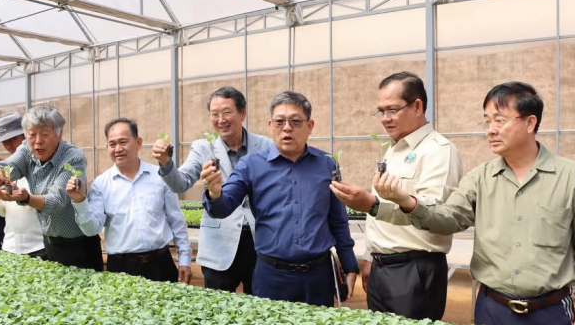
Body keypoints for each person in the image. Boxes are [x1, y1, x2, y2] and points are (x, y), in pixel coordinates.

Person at [374, 81, 575, 325]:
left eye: (500, 120)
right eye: (486, 121)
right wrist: (407, 201)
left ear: (530, 123)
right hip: (491, 310)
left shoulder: (573, 177)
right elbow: (448, 218)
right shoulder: (480, 178)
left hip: (550, 313)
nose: (491, 130)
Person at [201, 91, 358, 307]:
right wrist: (214, 193)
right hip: (271, 276)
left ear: (310, 126)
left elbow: (337, 219)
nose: (287, 128)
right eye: (280, 121)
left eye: (295, 121)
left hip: (318, 276)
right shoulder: (251, 165)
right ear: (270, 125)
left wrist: (349, 264)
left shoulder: (327, 164)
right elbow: (222, 208)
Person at [331, 72, 463, 320]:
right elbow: (382, 216)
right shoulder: (395, 149)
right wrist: (371, 257)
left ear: (417, 106)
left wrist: (370, 204)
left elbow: (434, 215)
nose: (385, 118)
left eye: (392, 110)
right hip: (382, 268)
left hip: (415, 270)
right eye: (380, 111)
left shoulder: (438, 151)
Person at [152, 87, 271, 293]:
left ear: (242, 113)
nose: (220, 120)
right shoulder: (203, 147)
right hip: (219, 246)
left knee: (262, 304)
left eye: (227, 112)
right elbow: (180, 183)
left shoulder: (266, 146)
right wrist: (165, 163)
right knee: (217, 307)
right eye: (214, 114)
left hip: (259, 243)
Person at [68, 118, 192, 284]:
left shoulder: (160, 176)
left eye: (123, 142)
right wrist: (80, 201)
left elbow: (176, 219)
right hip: (121, 267)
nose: (118, 149)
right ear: (107, 147)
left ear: (138, 142)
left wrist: (184, 259)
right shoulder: (101, 184)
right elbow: (92, 229)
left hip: (160, 263)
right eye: (112, 144)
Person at [0, 106, 103, 271]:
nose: (38, 141)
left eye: (45, 134)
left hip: (79, 245)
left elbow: (56, 201)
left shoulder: (73, 157)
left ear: (59, 134)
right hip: (49, 242)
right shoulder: (26, 149)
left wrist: (26, 198)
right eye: (32, 134)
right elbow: (8, 166)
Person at [0, 112, 46, 258]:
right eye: (4, 141)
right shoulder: (4, 169)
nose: (8, 145)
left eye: (12, 138)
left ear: (26, 135)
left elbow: (52, 203)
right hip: (10, 247)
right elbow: (3, 212)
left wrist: (26, 198)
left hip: (39, 246)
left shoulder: (43, 166)